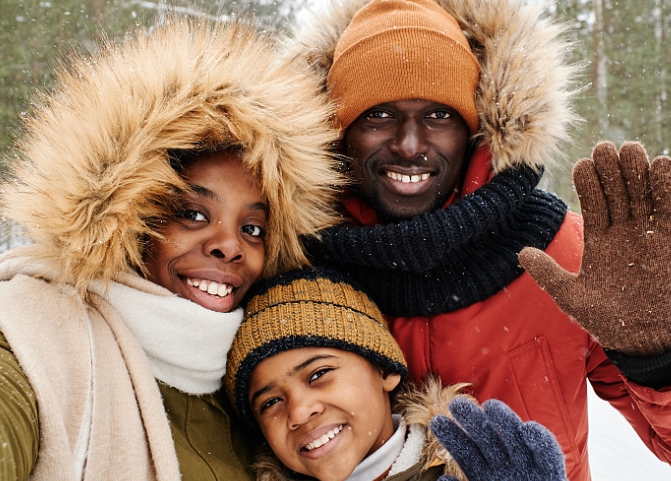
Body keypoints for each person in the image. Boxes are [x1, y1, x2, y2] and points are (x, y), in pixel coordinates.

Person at [290, 0, 671, 479]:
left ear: (474, 129)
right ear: (338, 131)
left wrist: (656, 354)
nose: (409, 145)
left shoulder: (562, 252)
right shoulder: (298, 268)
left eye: (438, 116)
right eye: (379, 115)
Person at [0, 17, 343, 480]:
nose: (229, 246)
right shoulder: (37, 334)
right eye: (194, 215)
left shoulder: (264, 393)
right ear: (131, 220)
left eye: (254, 228)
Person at [223, 266, 568, 481]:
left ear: (385, 370)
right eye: (270, 402)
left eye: (319, 374)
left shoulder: (473, 470)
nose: (298, 411)